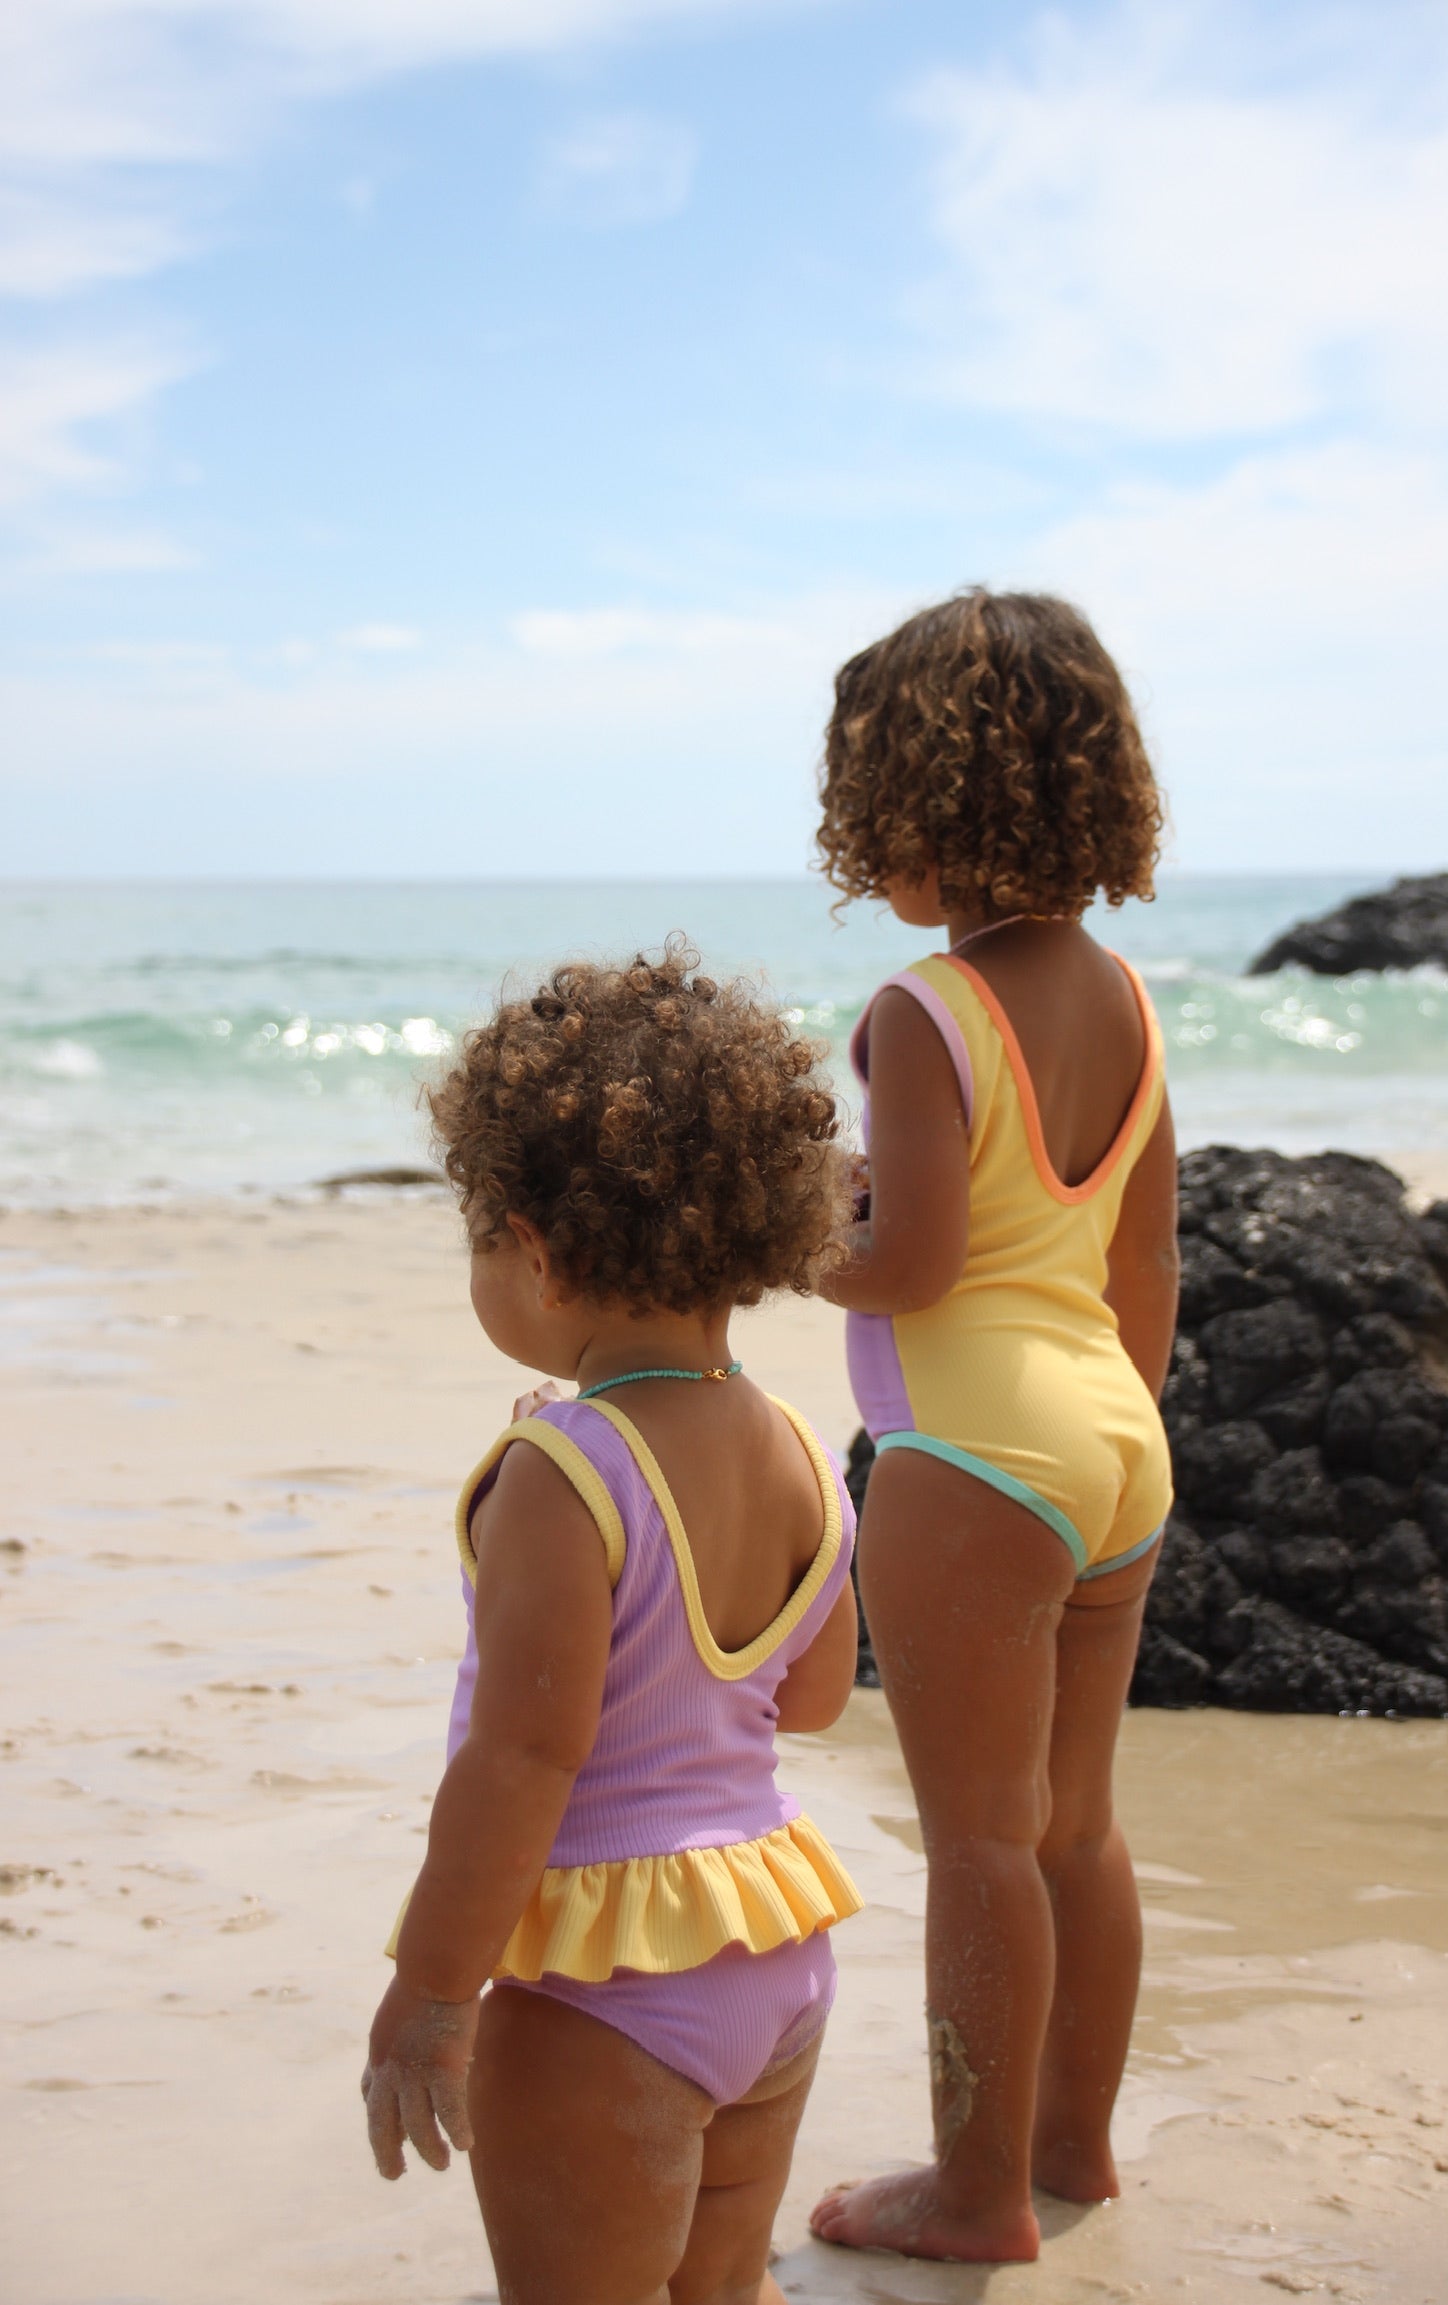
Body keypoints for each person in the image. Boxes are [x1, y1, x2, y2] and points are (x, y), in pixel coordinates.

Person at [362, 944, 863, 2305]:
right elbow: (811, 1694)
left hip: (608, 1976)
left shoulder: (565, 1469)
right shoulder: (803, 1450)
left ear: (533, 1249)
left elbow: (523, 1760)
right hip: (772, 1942)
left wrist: (429, 1989)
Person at [807, 589, 1178, 2264]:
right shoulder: (1124, 998)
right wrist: (1110, 1441)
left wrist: (799, 1228)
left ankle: (971, 2194)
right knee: (1072, 1822)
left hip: (973, 1457)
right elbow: (1143, 1253)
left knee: (974, 1837)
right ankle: (1070, 2147)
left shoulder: (918, 1012)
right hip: (1112, 1436)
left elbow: (912, 1264)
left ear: (911, 807)